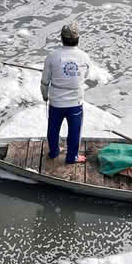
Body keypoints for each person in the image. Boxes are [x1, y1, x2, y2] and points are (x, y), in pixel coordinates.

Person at [40, 21, 90, 164]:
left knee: (53, 128)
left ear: (61, 38)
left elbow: (44, 82)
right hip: (75, 102)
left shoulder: (52, 56)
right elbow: (85, 76)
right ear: (78, 38)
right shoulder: (84, 57)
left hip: (56, 101)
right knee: (75, 131)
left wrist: (45, 96)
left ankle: (54, 152)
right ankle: (72, 157)